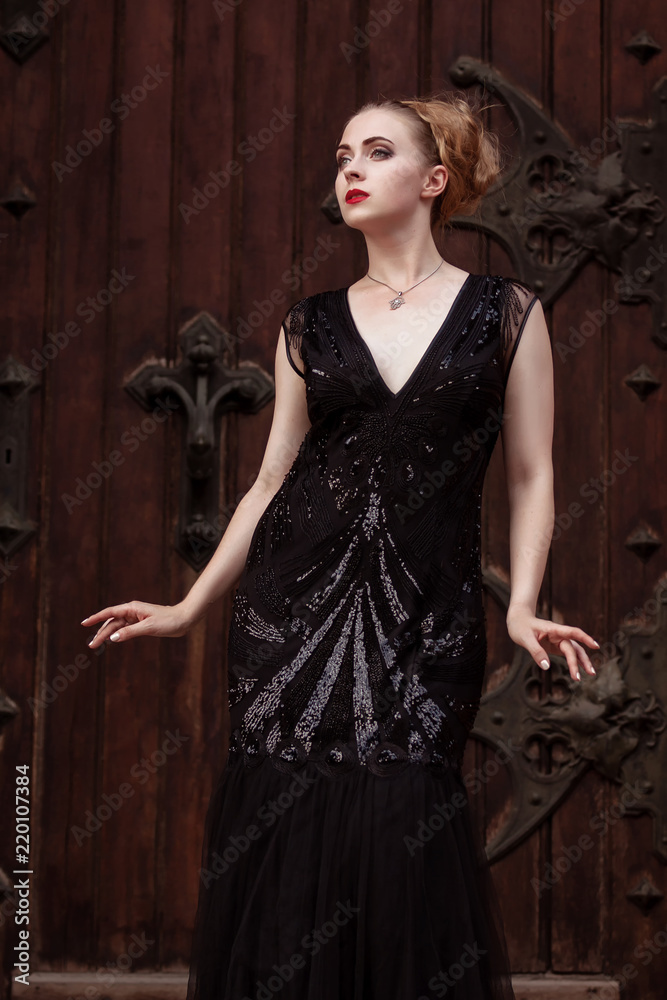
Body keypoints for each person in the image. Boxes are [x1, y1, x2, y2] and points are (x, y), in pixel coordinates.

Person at [81, 92, 599, 999]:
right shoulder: (307, 324)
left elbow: (530, 475)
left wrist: (521, 605)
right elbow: (269, 484)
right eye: (341, 155)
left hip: (426, 615)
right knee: (284, 825)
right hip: (292, 614)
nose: (350, 168)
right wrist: (189, 607)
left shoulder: (505, 313)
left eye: (376, 151)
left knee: (404, 822)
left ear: (434, 180)